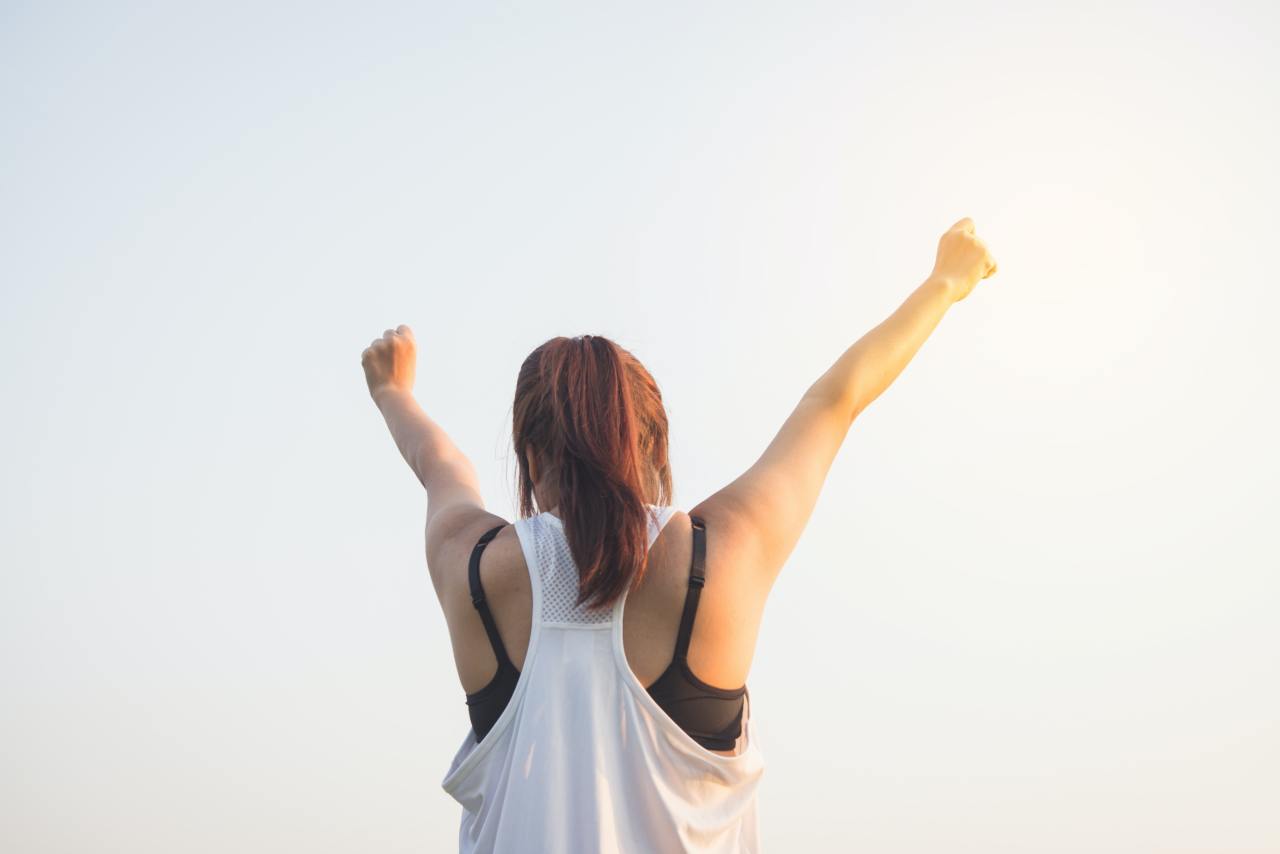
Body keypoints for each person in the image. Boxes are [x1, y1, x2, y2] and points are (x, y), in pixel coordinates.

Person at [360, 217, 999, 852]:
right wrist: (945, 281)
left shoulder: (472, 569)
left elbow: (441, 466)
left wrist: (393, 390)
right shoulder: (722, 556)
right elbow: (833, 402)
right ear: (658, 450)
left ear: (528, 458)